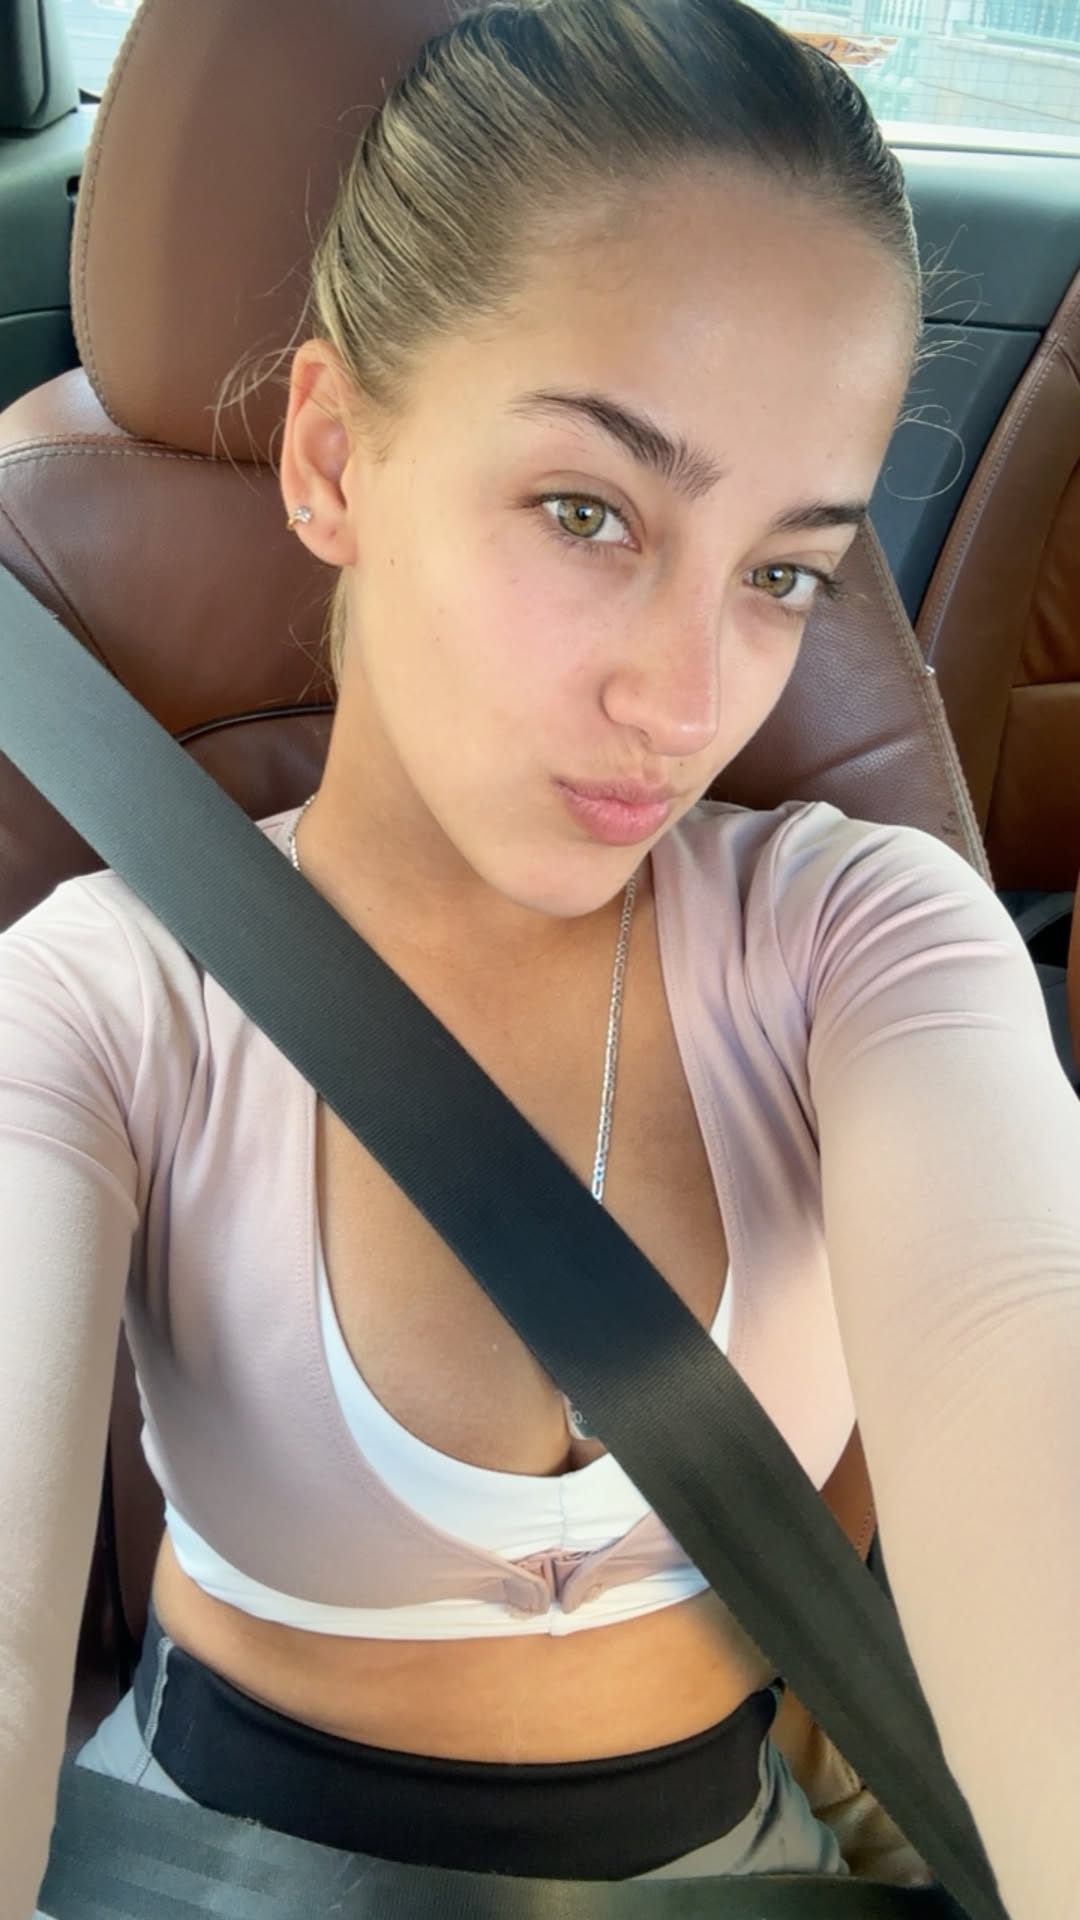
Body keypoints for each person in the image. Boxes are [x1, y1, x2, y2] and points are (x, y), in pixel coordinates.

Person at [2, 0, 1078, 1914]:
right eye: (588, 512)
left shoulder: (864, 935)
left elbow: (1031, 1373)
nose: (690, 702)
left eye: (782, 572)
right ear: (334, 455)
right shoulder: (110, 996)